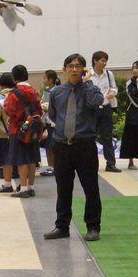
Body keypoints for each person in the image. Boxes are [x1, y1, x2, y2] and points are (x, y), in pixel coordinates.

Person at [44, 54, 105, 242]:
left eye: (78, 66)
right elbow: (53, 115)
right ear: (64, 69)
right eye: (70, 66)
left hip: (85, 145)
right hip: (62, 146)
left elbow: (97, 102)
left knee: (90, 187)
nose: (74, 69)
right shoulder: (56, 92)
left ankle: (93, 227)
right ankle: (62, 226)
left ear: (84, 69)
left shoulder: (90, 89)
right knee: (63, 188)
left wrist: (88, 83)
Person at [3, 65, 42, 198]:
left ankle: (23, 188)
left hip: (18, 129)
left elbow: (9, 109)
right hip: (33, 128)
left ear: (14, 78)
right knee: (32, 159)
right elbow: (39, 110)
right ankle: (31, 187)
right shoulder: (34, 91)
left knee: (21, 159)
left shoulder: (14, 93)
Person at [89, 51, 121, 172]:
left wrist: (112, 92)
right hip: (92, 110)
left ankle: (111, 164)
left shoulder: (108, 73)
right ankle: (91, 163)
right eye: (102, 60)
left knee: (107, 137)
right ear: (95, 60)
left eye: (105, 61)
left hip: (106, 108)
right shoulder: (87, 74)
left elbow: (114, 87)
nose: (104, 63)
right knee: (90, 137)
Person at [0, 73, 16, 192]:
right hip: (20, 133)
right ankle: (23, 185)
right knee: (21, 159)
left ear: (1, 84)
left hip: (4, 134)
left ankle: (7, 184)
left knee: (6, 160)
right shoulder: (18, 95)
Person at [40, 70, 60, 176]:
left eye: (45, 78)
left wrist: (45, 107)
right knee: (47, 146)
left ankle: (55, 167)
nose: (43, 80)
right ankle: (49, 166)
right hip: (46, 121)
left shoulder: (57, 91)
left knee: (53, 146)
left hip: (54, 123)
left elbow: (54, 106)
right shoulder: (47, 90)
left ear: (51, 79)